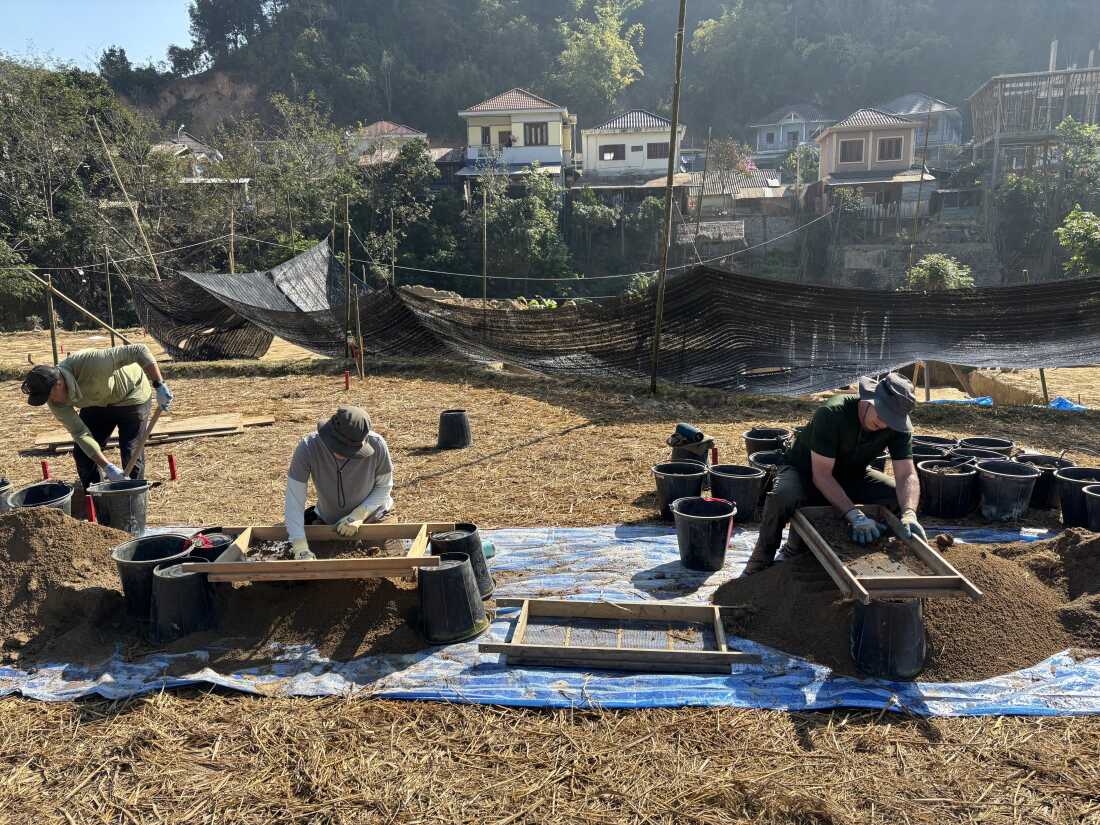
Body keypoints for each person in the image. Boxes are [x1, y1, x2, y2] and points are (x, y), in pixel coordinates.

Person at [741, 372, 925, 576]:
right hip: (803, 469)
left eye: (892, 421)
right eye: (882, 416)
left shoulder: (897, 427)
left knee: (896, 496)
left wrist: (909, 513)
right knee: (782, 497)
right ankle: (762, 558)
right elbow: (822, 475)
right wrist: (854, 515)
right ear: (870, 400)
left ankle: (874, 554)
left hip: (852, 473)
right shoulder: (833, 413)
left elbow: (906, 474)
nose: (884, 425)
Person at [21, 344, 173, 490]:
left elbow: (139, 350)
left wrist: (159, 384)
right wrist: (108, 467)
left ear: (59, 384)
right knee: (82, 455)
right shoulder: (53, 400)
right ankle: (98, 501)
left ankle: (132, 504)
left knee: (131, 453)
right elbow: (80, 433)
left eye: (49, 396)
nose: (50, 401)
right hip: (96, 401)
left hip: (131, 395)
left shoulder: (91, 361)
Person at [284, 405, 394, 561]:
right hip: (329, 520)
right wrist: (300, 545)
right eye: (341, 447)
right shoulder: (308, 447)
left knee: (388, 561)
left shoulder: (378, 445)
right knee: (317, 569)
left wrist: (359, 514)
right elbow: (294, 500)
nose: (344, 453)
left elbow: (384, 486)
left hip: (374, 515)